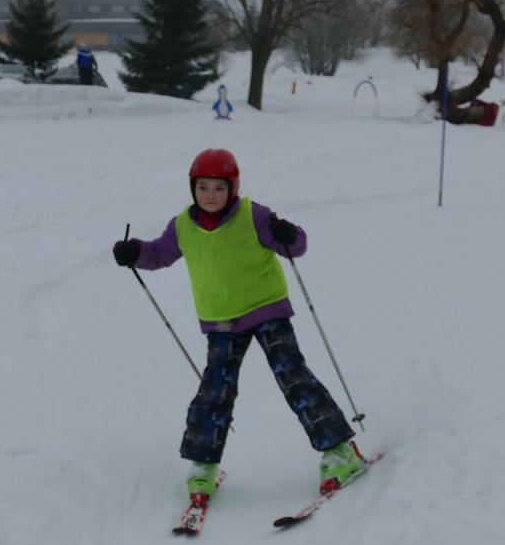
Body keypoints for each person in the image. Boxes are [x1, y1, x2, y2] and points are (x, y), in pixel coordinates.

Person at [111, 149, 364, 501]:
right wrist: (135, 253)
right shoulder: (182, 225)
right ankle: (203, 465)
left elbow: (296, 246)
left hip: (267, 309)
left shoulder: (253, 215)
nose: (210, 195)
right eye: (203, 187)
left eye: (219, 188)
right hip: (221, 321)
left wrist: (288, 233)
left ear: (233, 188)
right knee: (215, 389)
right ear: (192, 188)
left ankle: (338, 449)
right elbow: (159, 253)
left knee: (292, 375)